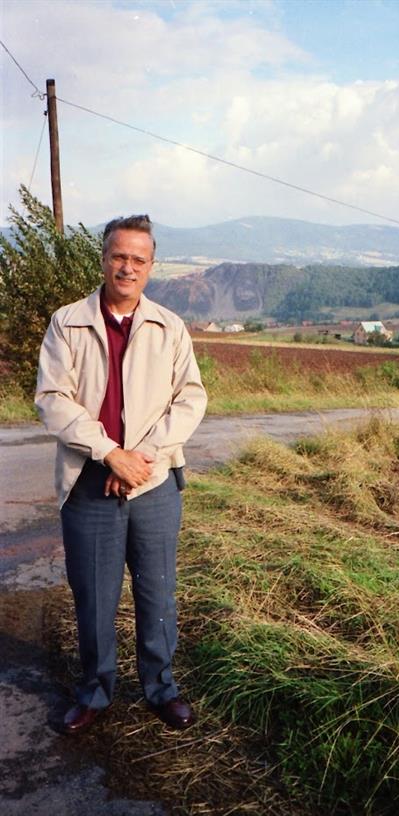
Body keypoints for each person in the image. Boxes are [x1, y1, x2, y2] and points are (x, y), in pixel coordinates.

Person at [35, 214, 207, 734]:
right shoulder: (68, 322)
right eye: (118, 256)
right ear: (104, 258)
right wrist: (111, 454)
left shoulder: (169, 327)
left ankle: (162, 689)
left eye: (138, 259)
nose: (126, 267)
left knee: (157, 593)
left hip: (154, 482)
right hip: (90, 483)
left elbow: (191, 398)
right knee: (94, 596)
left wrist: (141, 458)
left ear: (151, 266)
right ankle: (94, 693)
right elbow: (52, 398)